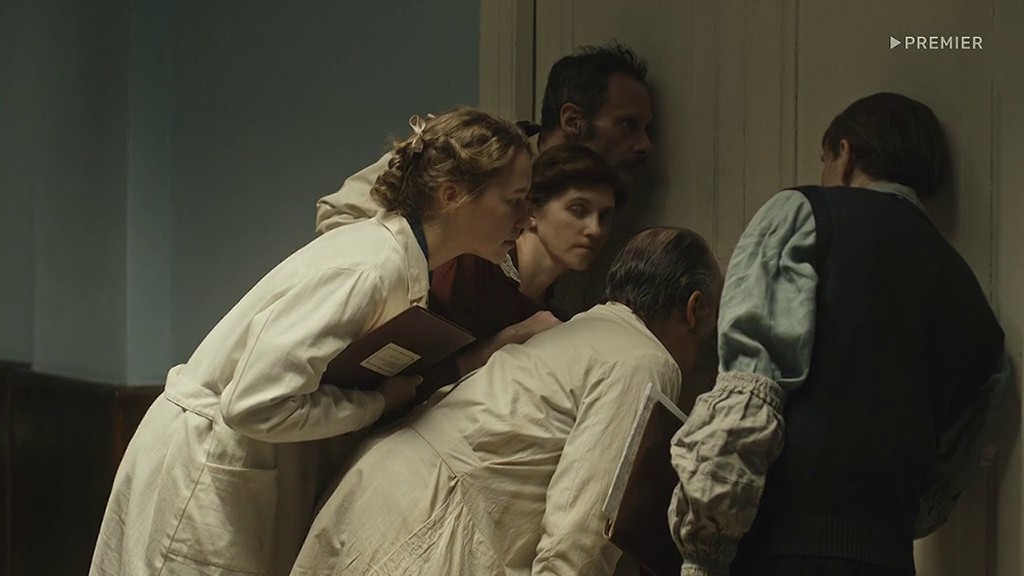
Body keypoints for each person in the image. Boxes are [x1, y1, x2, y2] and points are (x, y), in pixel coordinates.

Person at [88, 107, 534, 576]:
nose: (527, 219)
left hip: (235, 465)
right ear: (452, 194)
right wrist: (375, 404)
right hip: (202, 470)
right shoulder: (370, 268)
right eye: (515, 201)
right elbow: (253, 403)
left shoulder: (399, 263)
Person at [668, 92, 1010, 576]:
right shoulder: (976, 309)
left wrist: (703, 549)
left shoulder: (806, 214)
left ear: (844, 154)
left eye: (825, 159)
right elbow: (942, 484)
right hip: (889, 560)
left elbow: (748, 398)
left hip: (779, 551)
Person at [289, 227, 722, 576]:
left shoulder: (587, 330)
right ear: (694, 308)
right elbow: (582, 533)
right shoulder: (645, 360)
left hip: (377, 486)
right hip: (431, 523)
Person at [313, 43, 653, 236]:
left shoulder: (595, 217)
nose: (645, 146)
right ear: (573, 121)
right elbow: (339, 215)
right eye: (628, 125)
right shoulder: (472, 151)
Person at [403, 143, 625, 406]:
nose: (595, 229)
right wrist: (508, 340)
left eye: (605, 216)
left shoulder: (554, 318)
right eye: (578, 210)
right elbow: (408, 379)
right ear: (531, 211)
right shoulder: (473, 266)